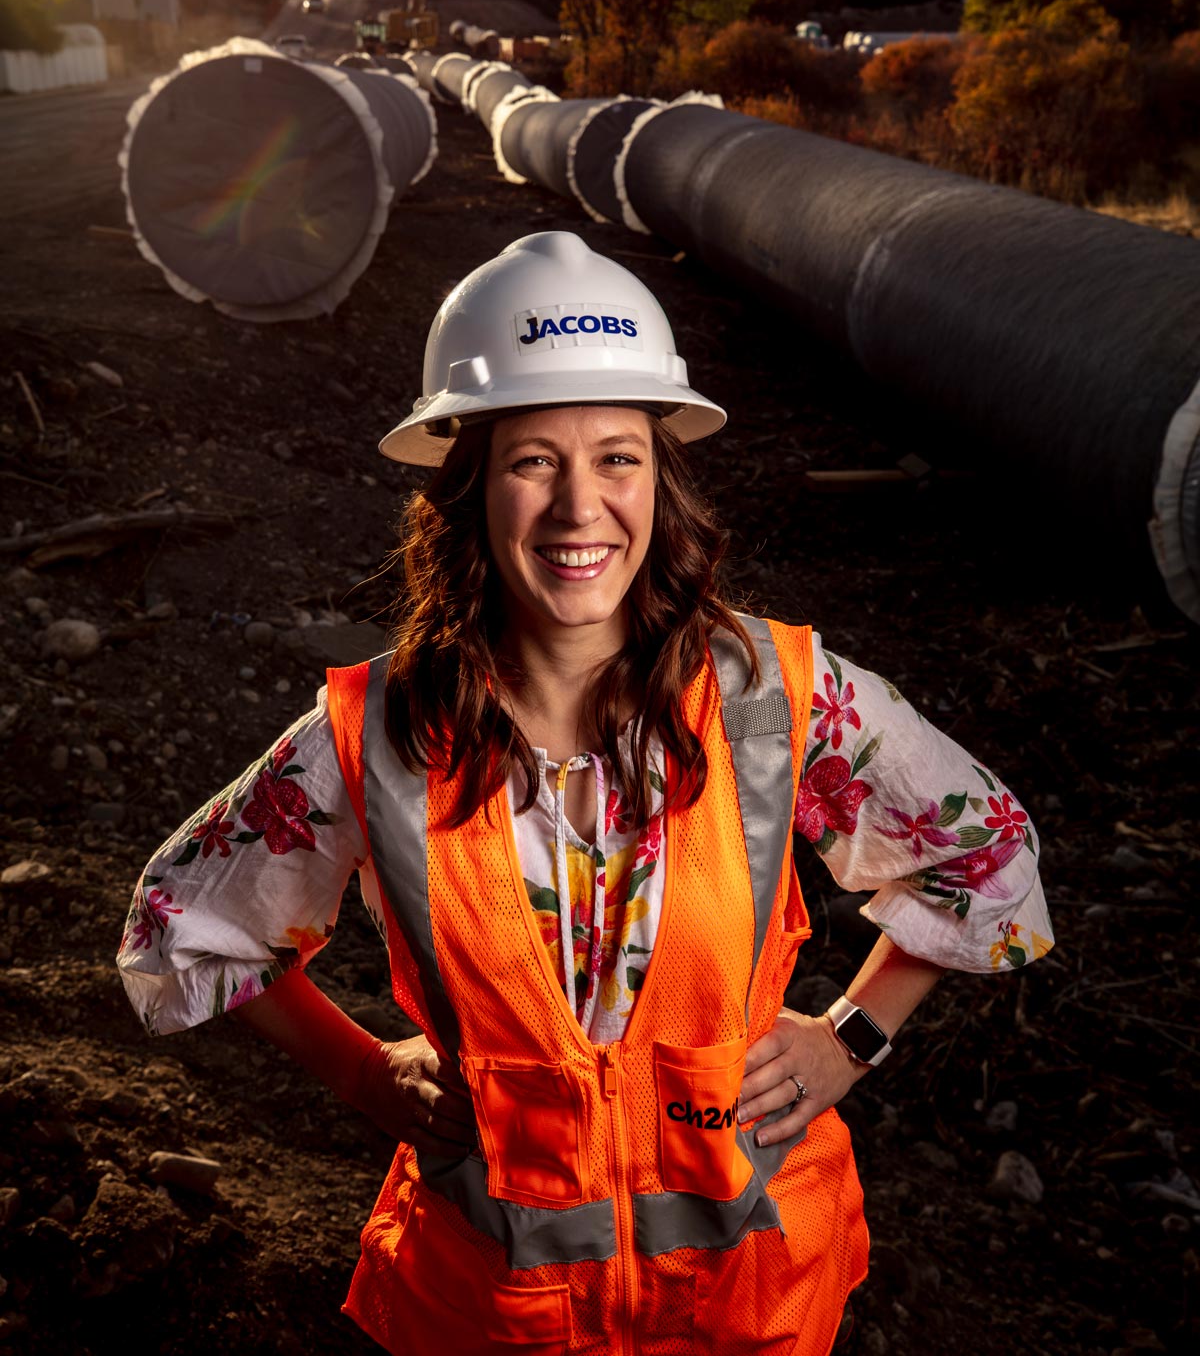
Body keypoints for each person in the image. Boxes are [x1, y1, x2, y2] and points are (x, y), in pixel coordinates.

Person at [118, 230, 1053, 1355]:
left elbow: (986, 855)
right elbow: (181, 924)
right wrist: (363, 1074)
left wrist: (848, 1040)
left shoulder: (775, 698)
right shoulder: (379, 734)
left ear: (662, 478)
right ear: (467, 488)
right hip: (501, 1313)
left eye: (617, 456)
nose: (578, 508)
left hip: (747, 1301)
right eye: (531, 462)